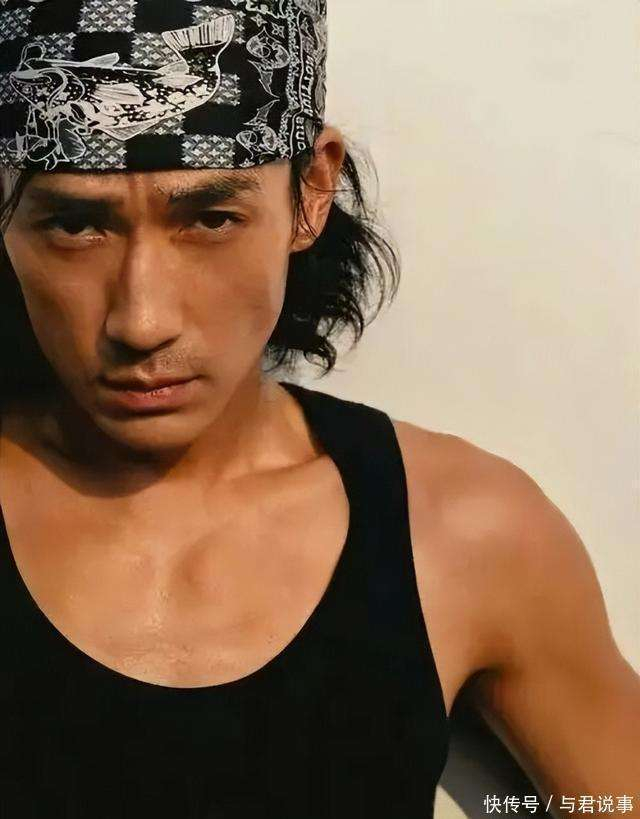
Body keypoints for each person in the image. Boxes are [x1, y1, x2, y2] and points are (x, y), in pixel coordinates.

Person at [0, 1, 637, 817]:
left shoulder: (461, 534)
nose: (141, 318)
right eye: (75, 225)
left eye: (211, 218)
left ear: (312, 191)